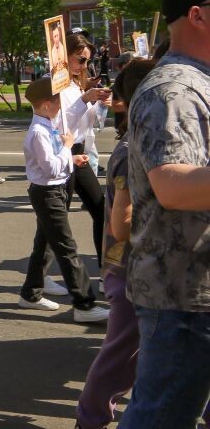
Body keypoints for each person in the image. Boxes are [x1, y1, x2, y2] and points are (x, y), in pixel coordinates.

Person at [117, 0, 210, 427]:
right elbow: (173, 185)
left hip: (195, 288)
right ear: (197, 16)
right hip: (184, 296)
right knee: (161, 417)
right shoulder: (173, 88)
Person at [76, 59, 165, 429]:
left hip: (145, 269)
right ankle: (91, 419)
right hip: (129, 269)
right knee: (121, 354)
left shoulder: (143, 141)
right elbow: (121, 224)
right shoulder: (131, 151)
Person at [16, 77, 108, 323]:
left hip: (53, 190)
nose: (61, 105)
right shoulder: (38, 132)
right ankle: (84, 305)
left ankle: (30, 294)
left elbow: (55, 161)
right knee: (68, 250)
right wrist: (69, 149)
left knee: (43, 244)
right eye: (57, 100)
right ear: (47, 104)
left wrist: (72, 159)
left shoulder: (47, 125)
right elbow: (50, 169)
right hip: (48, 193)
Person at [59, 33, 110, 264]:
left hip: (79, 153)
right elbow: (59, 123)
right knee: (55, 220)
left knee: (101, 209)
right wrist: (85, 99)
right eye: (80, 60)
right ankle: (36, 282)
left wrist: (100, 103)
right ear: (64, 56)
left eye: (88, 61)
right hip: (62, 152)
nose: (84, 66)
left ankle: (104, 270)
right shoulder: (54, 84)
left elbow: (89, 123)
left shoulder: (76, 84)